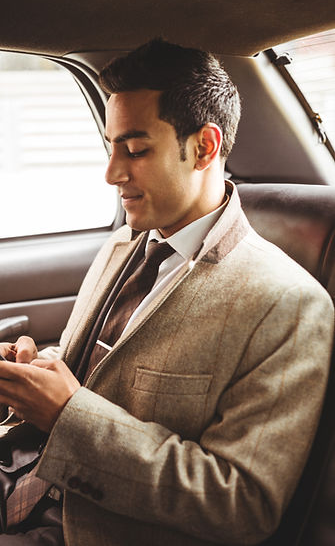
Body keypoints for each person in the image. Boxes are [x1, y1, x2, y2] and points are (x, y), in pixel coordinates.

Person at [0, 38, 333, 546]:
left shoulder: (287, 306)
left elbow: (240, 504)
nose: (112, 174)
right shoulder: (122, 245)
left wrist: (68, 416)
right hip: (22, 482)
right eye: (109, 148)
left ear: (204, 147)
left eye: (135, 150)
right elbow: (94, 375)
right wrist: (35, 376)